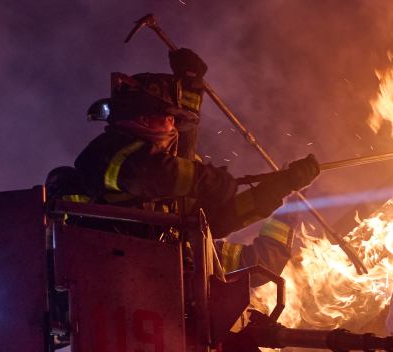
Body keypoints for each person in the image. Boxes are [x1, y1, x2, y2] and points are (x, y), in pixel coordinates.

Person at [50, 48, 318, 266]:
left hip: (168, 280)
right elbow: (153, 174)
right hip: (117, 279)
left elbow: (218, 218)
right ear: (143, 118)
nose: (172, 125)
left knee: (251, 264)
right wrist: (213, 181)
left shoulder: (170, 172)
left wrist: (279, 186)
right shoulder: (106, 155)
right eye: (168, 117)